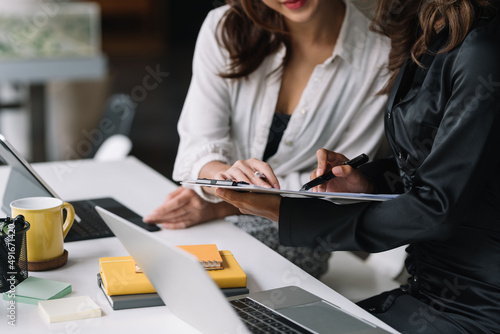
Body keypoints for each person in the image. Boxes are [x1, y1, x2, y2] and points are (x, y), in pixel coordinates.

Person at [214, 0, 500, 332]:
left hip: (474, 310)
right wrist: (366, 182)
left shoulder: (484, 49)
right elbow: (444, 167)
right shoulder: (430, 31)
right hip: (423, 292)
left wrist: (286, 212)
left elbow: (436, 208)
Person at [144, 0, 391, 277]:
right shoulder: (225, 26)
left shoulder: (380, 53)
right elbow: (200, 144)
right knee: (149, 266)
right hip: (214, 210)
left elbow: (342, 188)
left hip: (298, 230)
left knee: (181, 276)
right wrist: (223, 181)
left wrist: (226, 203)